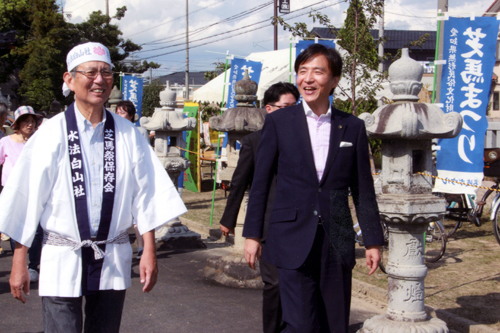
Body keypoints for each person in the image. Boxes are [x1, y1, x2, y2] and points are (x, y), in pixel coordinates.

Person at [0, 42, 187, 333]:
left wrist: (148, 249)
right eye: (91, 72)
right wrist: (19, 260)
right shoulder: (50, 133)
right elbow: (27, 199)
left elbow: (146, 193)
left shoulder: (129, 134)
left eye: (106, 72)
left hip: (112, 254)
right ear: (69, 79)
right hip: (61, 255)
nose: (100, 80)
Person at [243, 44, 385, 332]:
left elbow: (363, 188)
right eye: (302, 71)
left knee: (334, 322)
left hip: (337, 238)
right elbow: (260, 183)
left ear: (333, 80)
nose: (308, 79)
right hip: (290, 236)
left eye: (317, 71)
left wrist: (372, 240)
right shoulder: (279, 122)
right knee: (300, 322)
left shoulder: (352, 126)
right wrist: (253, 235)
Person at [219, 82, 299, 333]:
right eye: (285, 107)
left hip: (300, 223)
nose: (292, 113)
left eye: (296, 107)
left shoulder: (305, 140)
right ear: (269, 109)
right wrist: (229, 219)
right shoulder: (254, 140)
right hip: (268, 222)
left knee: (298, 283)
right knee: (274, 284)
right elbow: (240, 181)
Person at [0, 106, 39, 257]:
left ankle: (33, 265)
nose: (30, 125)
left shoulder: (38, 141)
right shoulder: (5, 141)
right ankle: (18, 259)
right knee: (14, 226)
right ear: (17, 123)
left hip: (34, 189)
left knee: (35, 228)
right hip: (11, 190)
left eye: (32, 121)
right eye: (26, 121)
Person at [115, 100, 149, 259]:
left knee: (138, 214)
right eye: (117, 112)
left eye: (122, 112)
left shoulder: (139, 131)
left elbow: (146, 153)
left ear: (130, 115)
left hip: (135, 176)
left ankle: (142, 246)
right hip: (117, 177)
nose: (119, 115)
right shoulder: (111, 131)